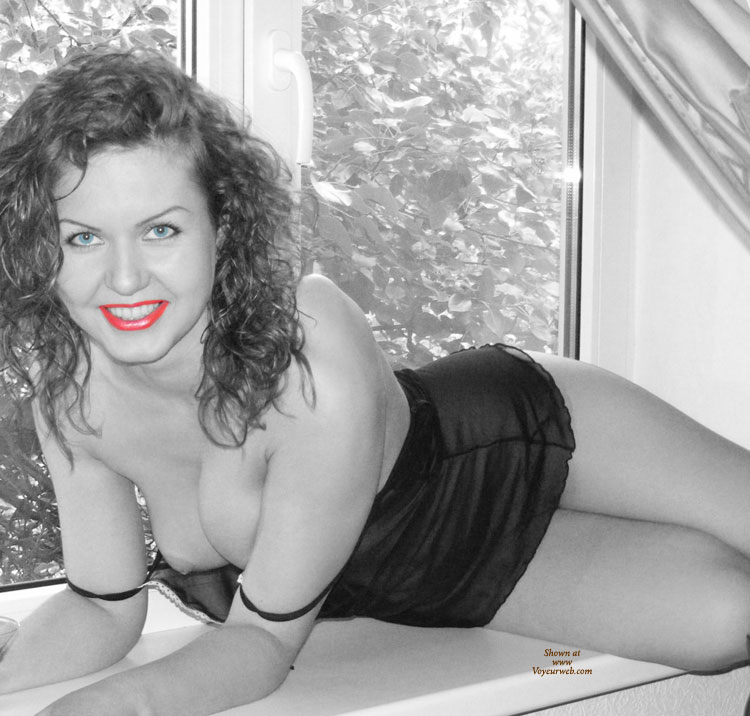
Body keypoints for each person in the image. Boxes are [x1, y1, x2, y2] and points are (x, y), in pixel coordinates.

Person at [0, 48, 747, 716]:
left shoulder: (307, 357)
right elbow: (102, 608)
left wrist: (109, 707)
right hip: (440, 581)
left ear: (222, 228)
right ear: (42, 247)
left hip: (521, 440)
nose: (125, 277)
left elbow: (261, 644)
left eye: (160, 229)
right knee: (727, 621)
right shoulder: (71, 394)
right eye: (83, 238)